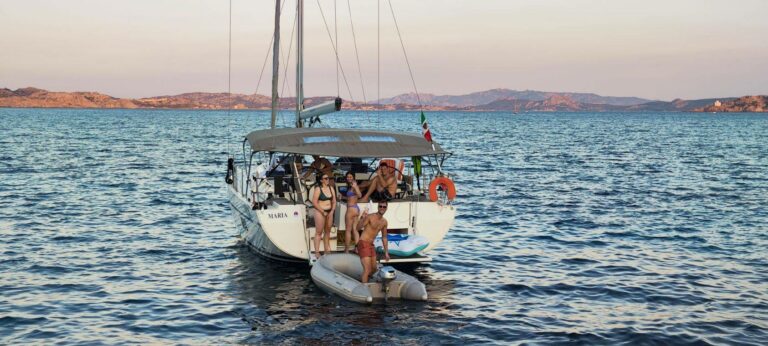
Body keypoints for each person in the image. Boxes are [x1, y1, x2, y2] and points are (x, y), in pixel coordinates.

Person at [356, 200, 390, 283]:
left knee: (374, 269)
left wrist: (386, 252)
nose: (382, 208)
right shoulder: (370, 217)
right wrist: (362, 218)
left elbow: (384, 237)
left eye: (384, 207)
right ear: (378, 207)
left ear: (386, 208)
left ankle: (364, 280)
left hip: (371, 245)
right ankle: (364, 288)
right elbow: (358, 228)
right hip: (363, 242)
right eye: (380, 206)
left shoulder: (384, 222)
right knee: (367, 269)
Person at [311, 173, 336, 258]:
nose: (328, 179)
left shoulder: (331, 188)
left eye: (328, 178)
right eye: (325, 178)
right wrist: (322, 211)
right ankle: (317, 252)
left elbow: (334, 201)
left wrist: (332, 211)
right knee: (319, 232)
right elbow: (314, 202)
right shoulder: (318, 189)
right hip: (320, 211)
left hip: (329, 211)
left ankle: (326, 250)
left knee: (327, 232)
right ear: (321, 180)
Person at [343, 171, 362, 253]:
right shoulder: (351, 186)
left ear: (353, 177)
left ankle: (346, 250)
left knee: (348, 230)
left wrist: (355, 187)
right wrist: (343, 197)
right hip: (356, 209)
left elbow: (360, 195)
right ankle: (357, 249)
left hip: (351, 209)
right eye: (348, 177)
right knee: (355, 230)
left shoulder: (354, 185)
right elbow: (351, 197)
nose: (349, 178)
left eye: (350, 177)